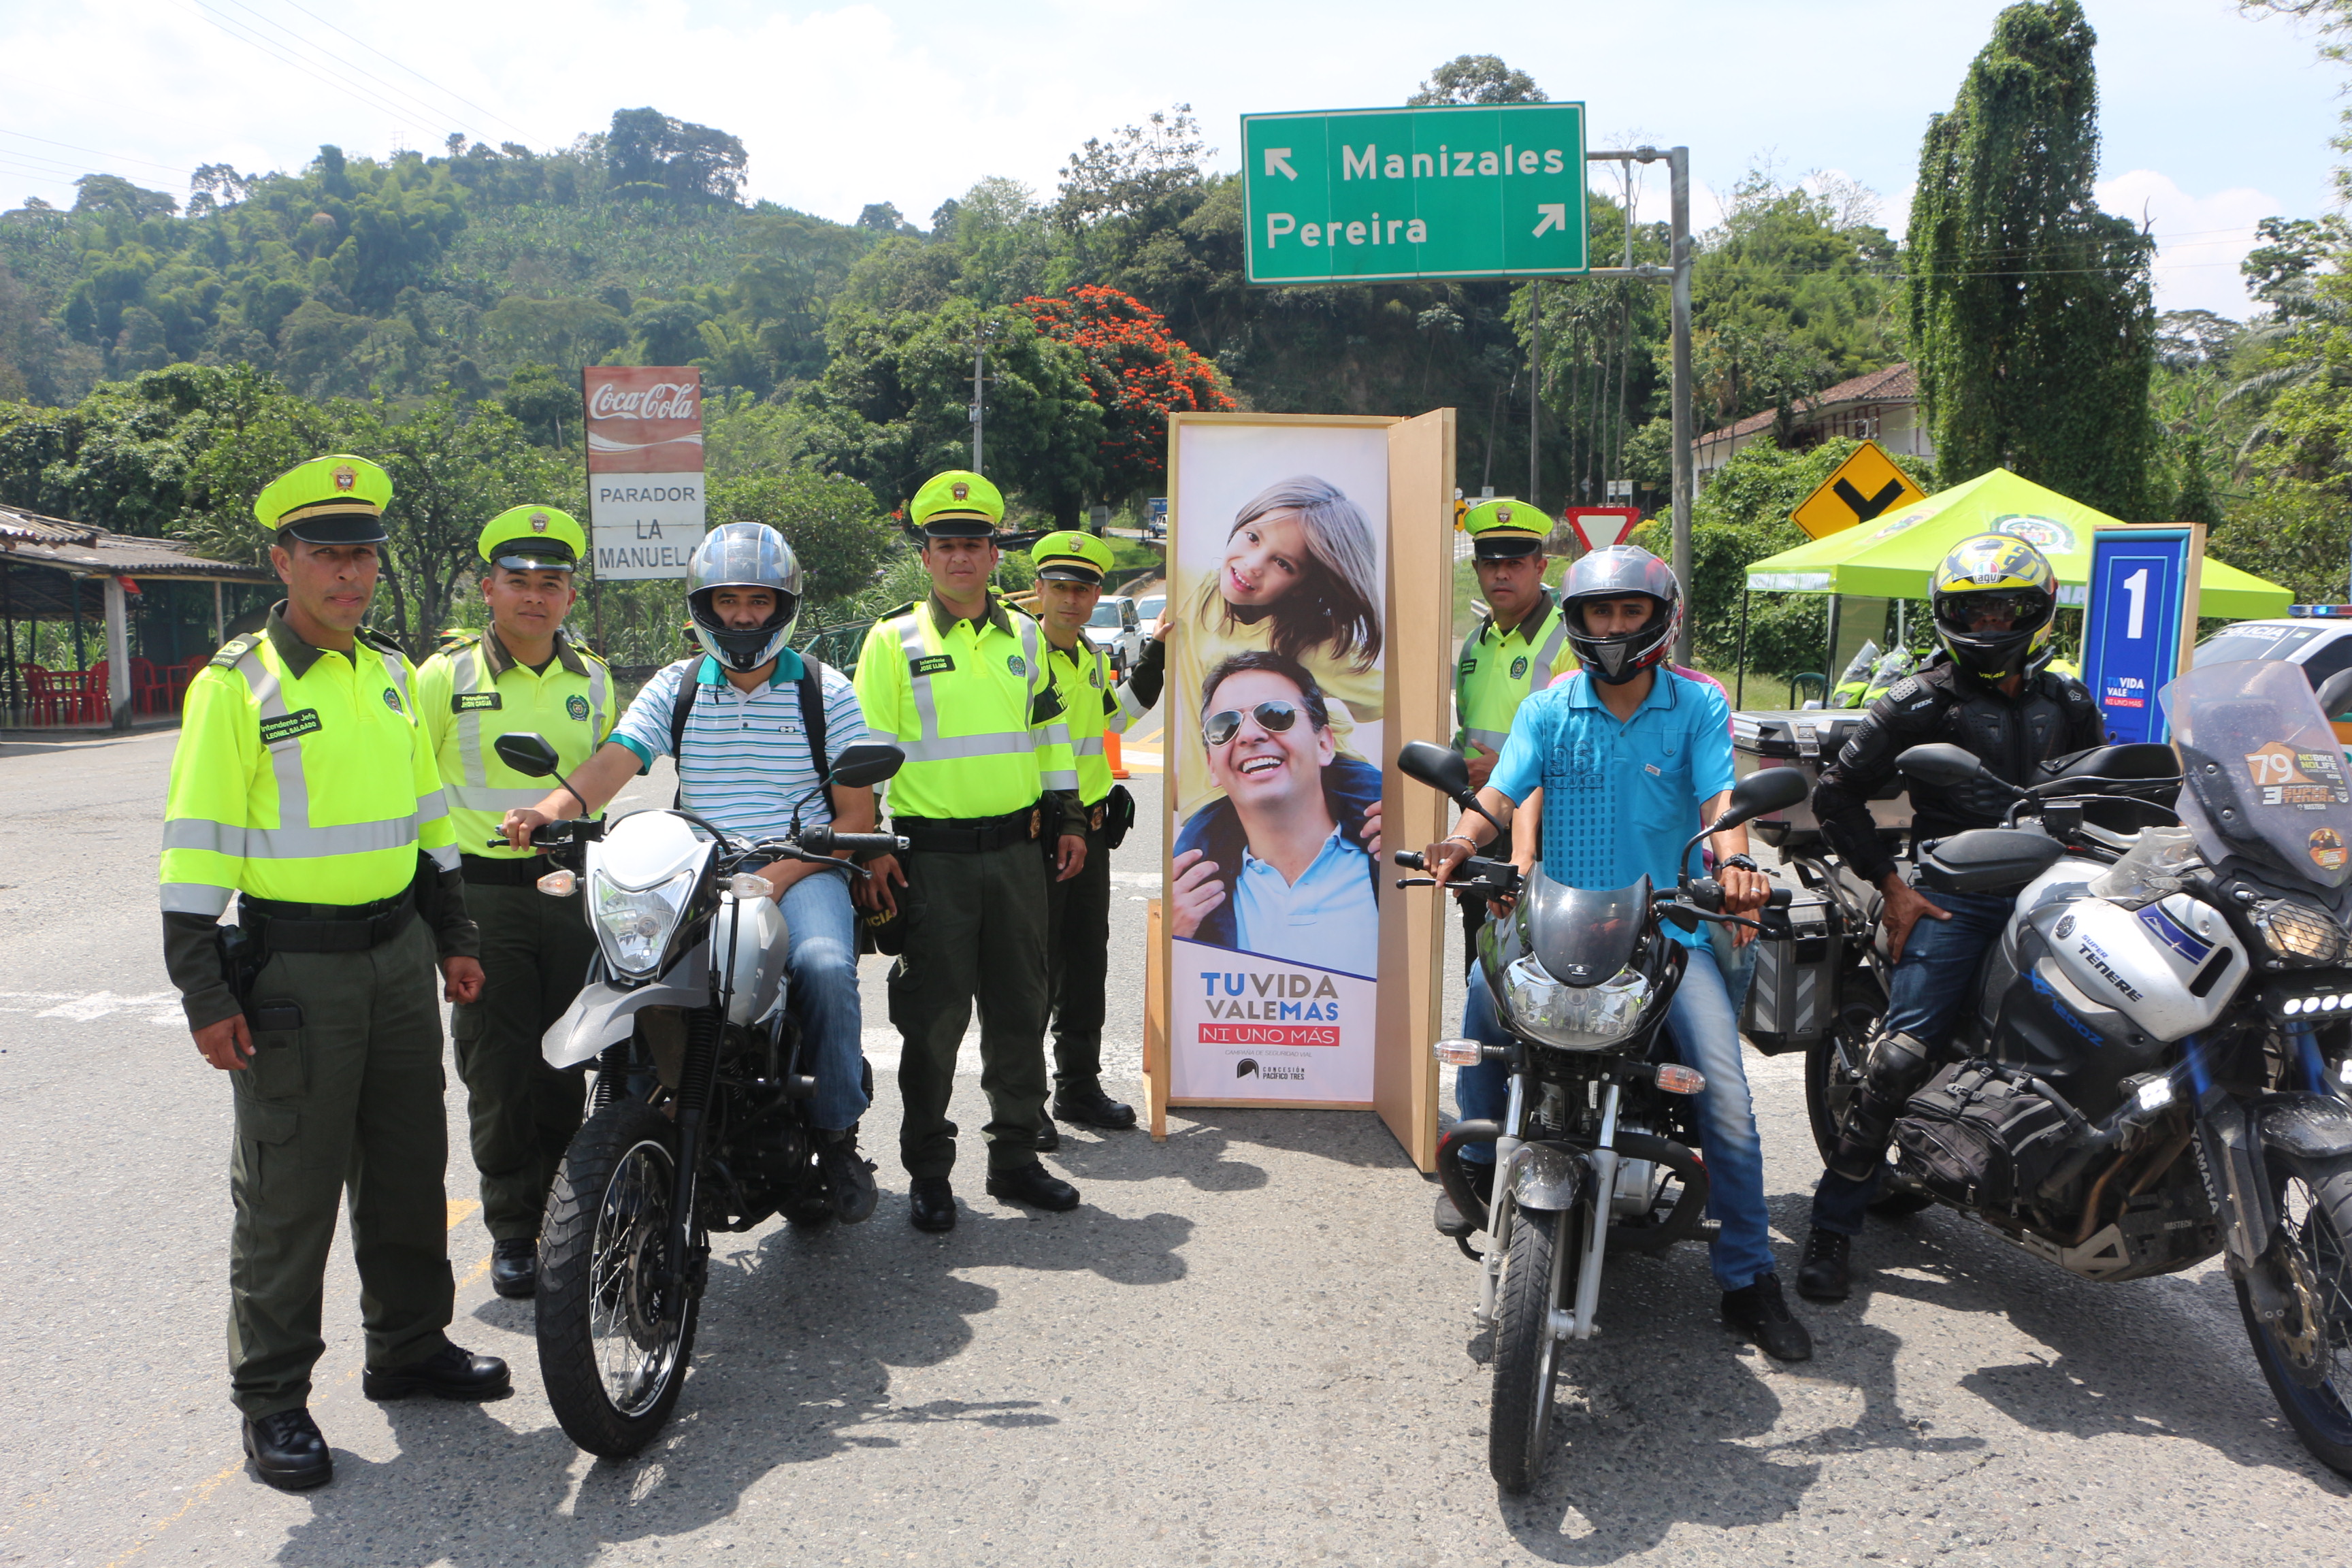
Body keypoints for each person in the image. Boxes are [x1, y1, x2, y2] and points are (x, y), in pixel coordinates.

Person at [158, 454, 506, 1492]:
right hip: (294, 974)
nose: (351, 574)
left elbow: (430, 822)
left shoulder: (392, 673)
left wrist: (454, 935)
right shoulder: (237, 686)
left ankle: (408, 1347)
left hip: (399, 957)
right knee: (289, 1194)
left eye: (364, 556)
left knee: (407, 1169)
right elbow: (195, 849)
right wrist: (203, 991)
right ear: (284, 561)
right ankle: (272, 1398)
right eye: (327, 555)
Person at [1421, 544, 1814, 1362]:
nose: (1613, 625)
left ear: (1661, 619)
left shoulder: (1696, 704)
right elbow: (1501, 792)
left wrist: (1734, 866)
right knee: (1481, 1005)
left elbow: (1721, 800)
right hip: (1558, 923)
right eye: (1600, 611)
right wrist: (1459, 840)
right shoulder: (1550, 707)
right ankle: (1481, 1171)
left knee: (1727, 1101)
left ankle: (1749, 1278)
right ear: (1578, 619)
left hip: (1667, 929)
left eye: (1630, 611)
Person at [500, 522, 881, 1224]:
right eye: (728, 600)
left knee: (826, 968)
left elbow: (856, 815)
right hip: (695, 868)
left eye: (759, 601)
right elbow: (610, 766)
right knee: (628, 968)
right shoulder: (674, 687)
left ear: (783, 606)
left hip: (800, 867)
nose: (743, 616)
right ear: (704, 608)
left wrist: (782, 874)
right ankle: (638, 1114)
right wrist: (546, 811)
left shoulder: (826, 691)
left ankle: (836, 1133)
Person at [1796, 534, 2103, 1303]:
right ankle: (1833, 1226)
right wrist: (1893, 886)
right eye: (1974, 611)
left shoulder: (2068, 702)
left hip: (2058, 882)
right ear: (1947, 616)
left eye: (2006, 610)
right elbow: (1835, 793)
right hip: (1956, 892)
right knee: (1901, 1057)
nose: (1991, 624)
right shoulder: (1919, 700)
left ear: (2037, 612)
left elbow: (2101, 788)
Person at [854, 471, 1089, 1232]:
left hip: (1018, 855)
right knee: (933, 1023)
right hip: (933, 860)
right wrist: (870, 848)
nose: (960, 557)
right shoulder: (892, 640)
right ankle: (929, 1171)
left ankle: (1015, 1158)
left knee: (1020, 1010)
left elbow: (1050, 736)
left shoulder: (1026, 636)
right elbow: (863, 755)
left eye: (974, 545)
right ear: (926, 557)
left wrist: (1069, 818)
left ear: (995, 555)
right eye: (946, 545)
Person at [415, 504, 612, 1298]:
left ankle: (567, 1217)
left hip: (569, 894)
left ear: (571, 596)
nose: (535, 596)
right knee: (497, 1071)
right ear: (487, 588)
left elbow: (604, 777)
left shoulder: (593, 678)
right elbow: (413, 789)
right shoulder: (444, 677)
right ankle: (511, 1228)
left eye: (551, 583)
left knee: (566, 1060)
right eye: (519, 581)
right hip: (482, 897)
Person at [1025, 529, 1154, 1148]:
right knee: (1033, 970)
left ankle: (1078, 1086)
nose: (1071, 600)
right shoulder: (1020, 656)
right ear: (1038, 591)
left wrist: (1156, 662)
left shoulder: (1091, 655)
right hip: (1042, 833)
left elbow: (1112, 718)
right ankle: (1025, 1103)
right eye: (1060, 588)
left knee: (1085, 965)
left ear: (1097, 595)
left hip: (1093, 832)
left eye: (1083, 590)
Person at [1170, 475, 1384, 813]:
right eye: (1253, 537)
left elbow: (1404, 708)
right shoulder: (1189, 590)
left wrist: (1398, 803)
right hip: (1219, 799)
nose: (1253, 565)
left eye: (1283, 563)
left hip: (1329, 789)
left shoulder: (1313, 641)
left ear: (1303, 586)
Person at [1171, 651, 1383, 975]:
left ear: (1325, 744)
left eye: (1275, 714)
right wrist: (1172, 944)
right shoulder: (1187, 904)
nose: (1249, 735)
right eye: (1225, 726)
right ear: (1212, 767)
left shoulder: (1393, 865)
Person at [1450, 497, 1571, 971]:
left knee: (1552, 975)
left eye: (1516, 564)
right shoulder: (1473, 645)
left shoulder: (1567, 639)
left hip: (1551, 836)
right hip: (1483, 828)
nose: (1501, 574)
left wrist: (1507, 769)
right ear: (1477, 569)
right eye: (1490, 564)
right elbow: (1467, 733)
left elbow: (1591, 744)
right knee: (1481, 966)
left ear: (1540, 567)